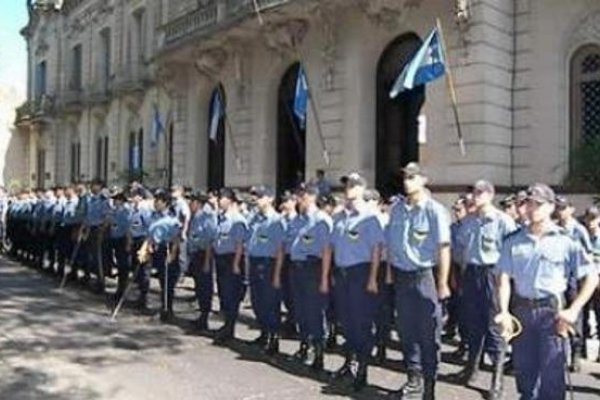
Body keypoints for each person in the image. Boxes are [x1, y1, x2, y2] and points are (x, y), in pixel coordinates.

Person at [495, 183, 599, 400]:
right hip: (522, 312)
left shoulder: (566, 241)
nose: (532, 208)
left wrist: (573, 310)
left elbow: (591, 277)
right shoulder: (513, 241)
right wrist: (504, 311)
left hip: (552, 315)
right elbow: (503, 279)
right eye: (529, 203)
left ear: (551, 207)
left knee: (552, 380)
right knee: (525, 378)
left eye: (538, 204)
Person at [386, 163, 451, 400]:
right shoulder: (397, 209)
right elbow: (391, 243)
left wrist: (443, 283)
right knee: (406, 330)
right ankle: (414, 381)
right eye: (405, 177)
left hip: (425, 277)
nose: (407, 181)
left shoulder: (434, 211)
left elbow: (444, 248)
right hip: (402, 276)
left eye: (412, 177)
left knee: (428, 332)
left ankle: (430, 386)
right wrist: (390, 273)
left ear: (423, 179)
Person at [453, 180, 517, 400]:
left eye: (480, 192)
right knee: (473, 325)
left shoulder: (503, 221)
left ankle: (496, 381)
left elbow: (513, 250)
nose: (475, 196)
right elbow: (460, 248)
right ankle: (471, 370)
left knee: (494, 328)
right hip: (471, 274)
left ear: (490, 195)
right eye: (474, 192)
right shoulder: (468, 221)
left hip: (493, 275)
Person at [327, 172, 384, 391]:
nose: (348, 188)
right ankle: (349, 361)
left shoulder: (369, 217)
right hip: (342, 273)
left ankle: (363, 368)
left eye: (352, 185)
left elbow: (377, 249)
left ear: (361, 189)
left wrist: (372, 278)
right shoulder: (339, 217)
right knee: (346, 321)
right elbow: (333, 247)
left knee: (361, 322)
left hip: (361, 273)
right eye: (346, 185)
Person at [289, 183, 332, 370]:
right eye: (299, 196)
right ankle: (304, 346)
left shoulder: (321, 220)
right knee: (300, 310)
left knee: (314, 311)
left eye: (302, 196)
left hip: (313, 268)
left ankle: (319, 352)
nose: (299, 200)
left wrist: (324, 278)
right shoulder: (297, 220)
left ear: (311, 197)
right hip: (297, 268)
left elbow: (326, 251)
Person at [554, 195, 593, 371]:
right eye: (558, 208)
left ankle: (576, 352)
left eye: (563, 208)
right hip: (558, 277)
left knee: (574, 315)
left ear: (570, 209)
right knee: (557, 314)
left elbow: (588, 256)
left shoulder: (578, 230)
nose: (560, 212)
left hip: (574, 278)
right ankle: (560, 353)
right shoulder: (554, 228)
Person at [246, 186, 285, 354]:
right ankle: (263, 333)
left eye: (260, 197)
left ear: (270, 198)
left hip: (268, 264)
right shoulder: (254, 219)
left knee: (270, 302)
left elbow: (280, 250)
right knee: (257, 301)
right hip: (254, 262)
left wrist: (277, 274)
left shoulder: (276, 221)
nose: (257, 200)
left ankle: (273, 338)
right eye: (255, 197)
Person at [212, 188, 248, 344]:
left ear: (230, 200)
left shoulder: (237, 220)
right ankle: (226, 324)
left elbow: (239, 244)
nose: (219, 201)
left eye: (222, 198)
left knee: (231, 294)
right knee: (223, 294)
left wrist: (235, 264)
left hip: (231, 259)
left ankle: (230, 327)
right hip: (221, 258)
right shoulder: (221, 218)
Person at [144, 189, 182, 322]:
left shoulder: (172, 219)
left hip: (168, 248)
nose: (155, 203)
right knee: (161, 279)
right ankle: (163, 307)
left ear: (165, 203)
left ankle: (168, 309)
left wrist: (172, 254)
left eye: (158, 201)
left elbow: (176, 238)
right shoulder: (154, 216)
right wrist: (148, 245)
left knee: (168, 282)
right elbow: (150, 233)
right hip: (156, 249)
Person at [187, 190, 217, 331]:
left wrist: (206, 261)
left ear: (198, 203)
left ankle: (205, 316)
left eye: (191, 202)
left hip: (204, 254)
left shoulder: (207, 217)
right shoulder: (196, 217)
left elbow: (210, 241)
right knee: (199, 286)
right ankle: (201, 315)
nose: (189, 204)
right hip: (195, 253)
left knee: (205, 287)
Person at [128, 188, 152, 312]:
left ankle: (144, 297)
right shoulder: (133, 209)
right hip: (135, 240)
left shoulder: (144, 209)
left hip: (143, 240)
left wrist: (146, 245)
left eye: (134, 196)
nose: (132, 198)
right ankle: (138, 295)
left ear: (140, 197)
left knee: (143, 269)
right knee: (136, 267)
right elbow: (131, 226)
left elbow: (149, 227)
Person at [582, 205, 600, 362]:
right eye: (589, 218)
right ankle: (581, 349)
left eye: (594, 218)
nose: (591, 222)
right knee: (583, 315)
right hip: (585, 280)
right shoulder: (583, 236)